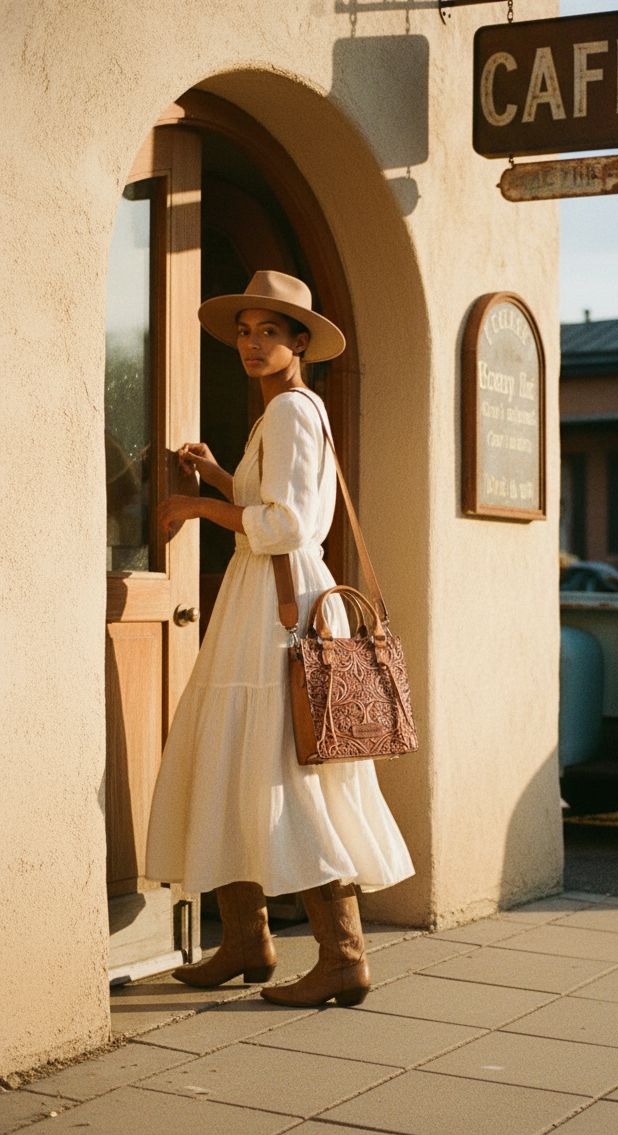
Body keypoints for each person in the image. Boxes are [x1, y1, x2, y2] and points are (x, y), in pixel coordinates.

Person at [145, 271, 414, 1007]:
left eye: (270, 331)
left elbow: (289, 524)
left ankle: (342, 956)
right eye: (244, 331)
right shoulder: (288, 411)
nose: (252, 343)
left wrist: (198, 506)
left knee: (281, 771)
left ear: (301, 343)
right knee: (245, 761)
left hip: (278, 603)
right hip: (267, 595)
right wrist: (218, 476)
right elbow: (269, 502)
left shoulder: (293, 409)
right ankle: (246, 941)